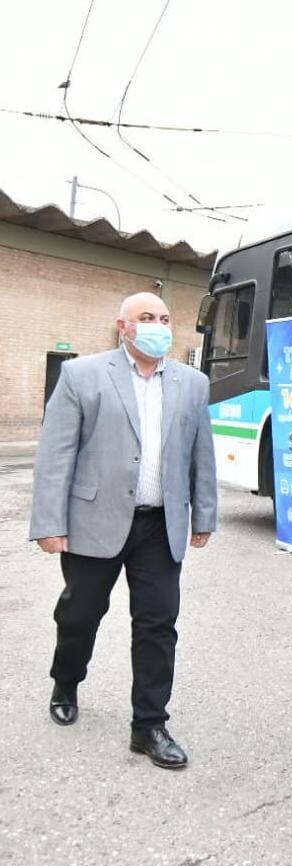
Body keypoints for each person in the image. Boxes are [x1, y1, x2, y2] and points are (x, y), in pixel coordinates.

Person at [29, 291, 217, 769]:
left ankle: (149, 724)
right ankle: (67, 679)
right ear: (123, 326)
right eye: (146, 318)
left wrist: (205, 515)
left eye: (165, 317)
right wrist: (50, 523)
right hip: (93, 520)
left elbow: (202, 454)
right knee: (80, 613)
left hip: (159, 525)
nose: (158, 325)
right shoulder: (82, 375)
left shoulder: (192, 384)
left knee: (158, 623)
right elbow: (56, 456)